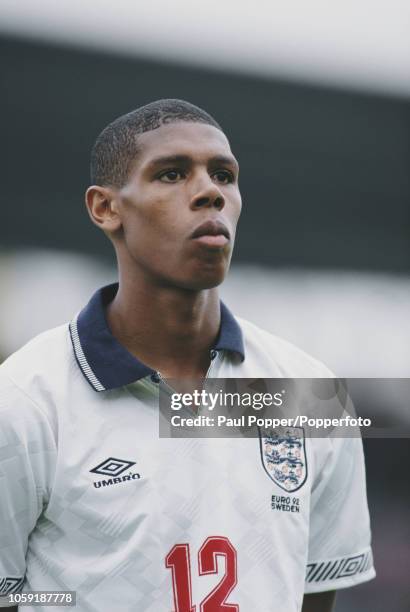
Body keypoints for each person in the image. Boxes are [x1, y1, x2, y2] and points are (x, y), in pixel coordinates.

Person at [0, 99, 375, 612]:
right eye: (172, 174)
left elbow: (312, 592)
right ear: (105, 208)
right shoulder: (27, 397)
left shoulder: (309, 389)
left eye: (224, 175)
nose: (209, 193)